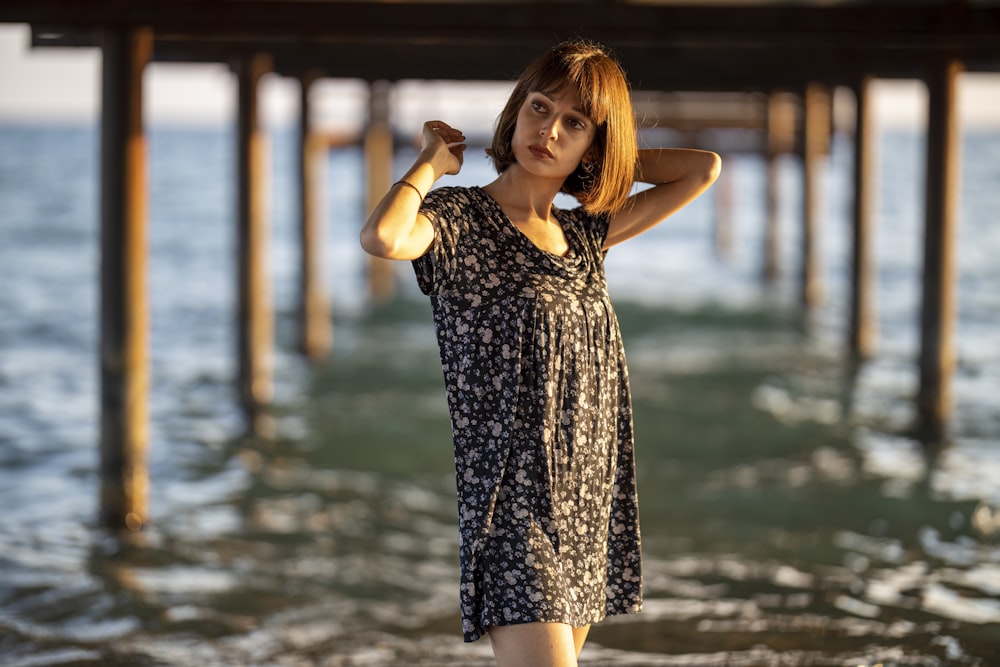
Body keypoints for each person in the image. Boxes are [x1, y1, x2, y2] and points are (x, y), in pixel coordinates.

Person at [360, 38, 721, 667]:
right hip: (512, 506)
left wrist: (609, 160)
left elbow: (702, 168)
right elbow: (383, 235)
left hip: (587, 497)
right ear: (514, 113)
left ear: (594, 143)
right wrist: (428, 164)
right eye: (539, 108)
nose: (548, 130)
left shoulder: (584, 237)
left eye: (573, 123)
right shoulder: (460, 219)